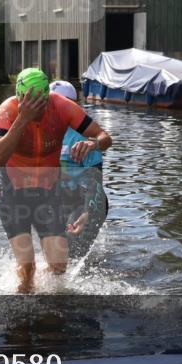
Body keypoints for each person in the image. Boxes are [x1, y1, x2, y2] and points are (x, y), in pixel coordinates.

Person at [0, 68, 112, 293]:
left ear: (48, 96)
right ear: (21, 98)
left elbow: (104, 137)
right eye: (31, 104)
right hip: (12, 192)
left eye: (42, 103)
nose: (39, 110)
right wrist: (23, 119)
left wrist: (92, 144)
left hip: (47, 192)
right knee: (27, 268)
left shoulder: (62, 107)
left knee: (58, 267)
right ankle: (22, 311)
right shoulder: (8, 110)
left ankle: (46, 309)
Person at [49, 80, 108, 260]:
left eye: (62, 104)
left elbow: (95, 183)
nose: (54, 109)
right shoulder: (41, 134)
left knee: (70, 253)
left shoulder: (84, 139)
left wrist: (87, 214)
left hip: (84, 202)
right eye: (51, 103)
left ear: (74, 106)